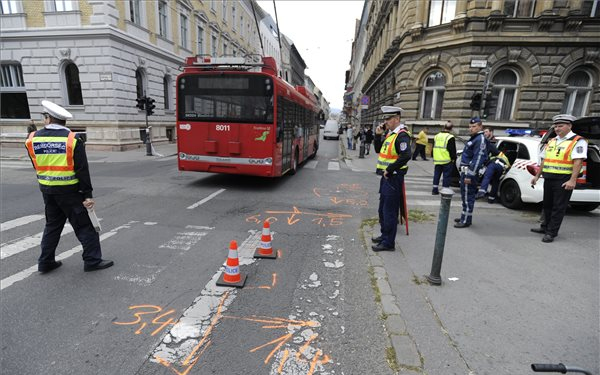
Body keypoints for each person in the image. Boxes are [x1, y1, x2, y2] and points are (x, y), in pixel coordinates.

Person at [25, 100, 114, 273]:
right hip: (70, 192)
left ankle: (45, 262)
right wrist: (87, 195)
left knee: (52, 226)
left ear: (48, 119)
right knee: (85, 226)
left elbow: (36, 165)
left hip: (47, 190)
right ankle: (92, 261)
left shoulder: (32, 139)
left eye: (44, 117)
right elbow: (82, 170)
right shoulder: (73, 140)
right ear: (62, 121)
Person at [530, 114, 587, 243]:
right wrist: (537, 176)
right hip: (549, 178)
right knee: (547, 205)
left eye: (560, 126)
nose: (557, 128)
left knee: (558, 207)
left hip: (563, 179)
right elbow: (544, 160)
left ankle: (551, 232)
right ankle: (545, 227)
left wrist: (572, 180)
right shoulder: (552, 140)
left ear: (569, 126)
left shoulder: (578, 141)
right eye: (555, 126)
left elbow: (578, 162)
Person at [371, 106, 412, 251]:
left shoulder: (402, 135)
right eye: (385, 119)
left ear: (397, 119)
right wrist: (377, 135)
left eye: (388, 119)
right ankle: (384, 236)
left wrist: (389, 169)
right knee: (382, 209)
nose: (386, 122)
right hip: (386, 177)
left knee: (389, 211)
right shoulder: (391, 134)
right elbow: (378, 150)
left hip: (393, 177)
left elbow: (406, 155)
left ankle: (389, 243)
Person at [454, 117, 491, 228]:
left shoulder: (479, 139)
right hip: (466, 172)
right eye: (470, 127)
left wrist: (470, 175)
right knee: (465, 196)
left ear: (480, 126)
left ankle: (465, 220)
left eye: (474, 126)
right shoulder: (474, 138)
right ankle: (465, 216)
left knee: (468, 197)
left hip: (469, 173)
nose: (471, 129)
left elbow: (478, 159)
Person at [432, 122, 456, 195]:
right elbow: (452, 149)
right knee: (446, 175)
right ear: (451, 128)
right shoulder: (450, 137)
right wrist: (453, 158)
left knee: (437, 174)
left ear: (443, 127)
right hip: (447, 160)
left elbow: (433, 147)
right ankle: (445, 190)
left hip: (437, 159)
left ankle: (434, 189)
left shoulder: (436, 136)